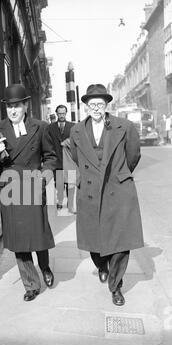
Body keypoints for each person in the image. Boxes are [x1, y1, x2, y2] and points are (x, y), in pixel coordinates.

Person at [69, 84, 144, 306]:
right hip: (90, 192)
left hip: (118, 191)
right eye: (92, 104)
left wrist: (119, 175)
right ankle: (101, 265)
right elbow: (76, 157)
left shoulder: (125, 127)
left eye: (100, 104)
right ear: (85, 106)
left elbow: (134, 155)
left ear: (107, 105)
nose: (96, 108)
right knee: (95, 241)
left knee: (120, 243)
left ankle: (116, 287)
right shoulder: (76, 131)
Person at [0, 84, 57, 302]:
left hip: (33, 186)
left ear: (26, 106)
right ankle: (31, 285)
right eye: (9, 107)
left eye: (17, 106)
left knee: (38, 234)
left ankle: (44, 266)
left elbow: (51, 158)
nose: (13, 111)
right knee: (18, 240)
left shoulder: (40, 127)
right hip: (10, 191)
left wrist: (43, 180)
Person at [48, 105, 75, 211]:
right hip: (57, 160)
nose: (61, 115)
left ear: (66, 113)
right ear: (56, 113)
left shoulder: (73, 127)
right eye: (59, 113)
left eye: (63, 113)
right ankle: (60, 201)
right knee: (59, 185)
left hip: (70, 160)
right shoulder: (51, 127)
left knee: (71, 184)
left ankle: (70, 204)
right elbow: (48, 143)